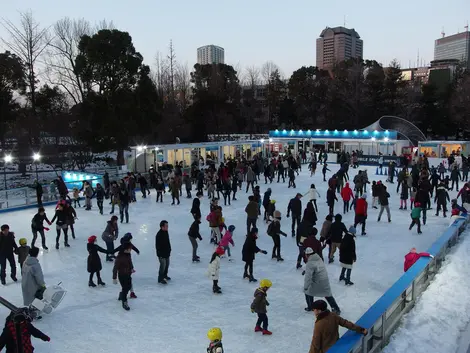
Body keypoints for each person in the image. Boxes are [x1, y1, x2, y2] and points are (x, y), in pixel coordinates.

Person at [303, 247, 341, 314]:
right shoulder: (319, 258)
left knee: (307, 291)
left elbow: (308, 277)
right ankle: (336, 309)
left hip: (317, 282)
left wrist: (305, 287)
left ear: (307, 255)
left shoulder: (310, 263)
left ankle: (310, 306)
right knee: (327, 294)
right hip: (324, 281)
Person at [112, 242, 133, 311]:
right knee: (125, 288)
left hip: (128, 273)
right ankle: (124, 302)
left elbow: (130, 262)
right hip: (122, 275)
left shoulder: (128, 255)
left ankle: (121, 295)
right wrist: (114, 278)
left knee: (129, 286)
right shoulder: (120, 257)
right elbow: (115, 268)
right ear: (125, 249)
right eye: (129, 249)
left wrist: (131, 268)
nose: (131, 250)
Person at [155, 220, 171, 284]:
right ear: (162, 227)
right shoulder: (158, 235)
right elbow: (157, 246)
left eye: (167, 226)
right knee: (163, 266)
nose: (167, 227)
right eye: (166, 226)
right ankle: (160, 278)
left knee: (167, 265)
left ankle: (165, 275)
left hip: (167, 252)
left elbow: (168, 241)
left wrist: (169, 249)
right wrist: (160, 254)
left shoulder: (166, 232)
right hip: (161, 254)